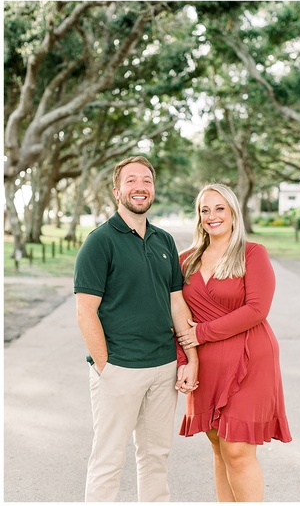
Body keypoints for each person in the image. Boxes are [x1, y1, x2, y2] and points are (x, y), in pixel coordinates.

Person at [74, 156, 199, 501]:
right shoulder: (99, 242)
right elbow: (86, 313)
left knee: (156, 457)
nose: (140, 187)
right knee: (108, 459)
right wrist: (106, 368)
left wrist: (191, 357)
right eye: (131, 181)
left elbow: (177, 303)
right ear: (117, 191)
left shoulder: (164, 241)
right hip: (119, 369)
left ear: (153, 189)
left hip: (163, 369)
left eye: (146, 180)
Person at [175, 183, 292, 502]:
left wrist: (200, 333)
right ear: (198, 217)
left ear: (233, 213)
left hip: (250, 358)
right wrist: (185, 360)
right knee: (218, 447)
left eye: (219, 208)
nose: (212, 216)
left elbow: (257, 309)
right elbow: (175, 314)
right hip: (208, 364)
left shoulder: (252, 253)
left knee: (237, 449)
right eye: (205, 210)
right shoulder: (185, 261)